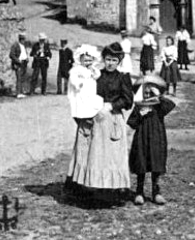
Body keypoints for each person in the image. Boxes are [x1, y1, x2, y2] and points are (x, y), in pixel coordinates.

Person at [66, 42, 134, 197]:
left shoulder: (123, 77)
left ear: (119, 61)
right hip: (94, 117)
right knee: (93, 154)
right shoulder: (96, 74)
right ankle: (91, 186)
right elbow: (83, 93)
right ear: (103, 59)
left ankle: (113, 188)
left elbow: (128, 100)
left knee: (111, 156)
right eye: (108, 59)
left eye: (114, 60)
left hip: (112, 119)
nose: (110, 63)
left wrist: (111, 106)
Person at [127, 73, 175, 206]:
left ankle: (156, 191)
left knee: (156, 162)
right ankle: (139, 191)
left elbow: (170, 105)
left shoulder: (159, 106)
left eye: (151, 91)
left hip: (157, 137)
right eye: (145, 92)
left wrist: (158, 97)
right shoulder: (139, 106)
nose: (148, 94)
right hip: (141, 138)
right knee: (141, 162)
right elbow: (131, 122)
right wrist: (140, 114)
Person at [68, 44, 104, 120]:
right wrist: (77, 83)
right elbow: (72, 78)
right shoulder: (77, 69)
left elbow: (97, 76)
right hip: (81, 89)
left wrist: (94, 71)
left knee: (90, 102)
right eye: (85, 61)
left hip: (90, 89)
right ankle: (82, 115)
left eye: (90, 61)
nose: (88, 63)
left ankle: (90, 114)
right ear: (80, 60)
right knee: (81, 102)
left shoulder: (92, 68)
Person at [9, 32, 29, 98]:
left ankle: (21, 92)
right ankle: (18, 93)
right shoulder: (15, 45)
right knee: (19, 78)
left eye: (24, 39)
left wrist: (27, 58)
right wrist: (17, 60)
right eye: (22, 39)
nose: (23, 40)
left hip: (24, 63)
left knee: (23, 78)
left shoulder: (24, 45)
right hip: (18, 64)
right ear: (20, 39)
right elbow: (11, 55)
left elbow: (25, 53)